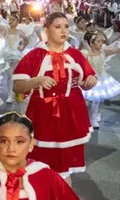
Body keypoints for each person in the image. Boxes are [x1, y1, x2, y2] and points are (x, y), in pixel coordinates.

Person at [12, 12, 97, 185]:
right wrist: (37, 81)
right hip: (43, 115)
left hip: (71, 114)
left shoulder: (75, 54)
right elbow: (17, 87)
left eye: (66, 26)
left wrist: (90, 81)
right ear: (47, 30)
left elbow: (87, 81)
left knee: (65, 166)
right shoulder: (35, 55)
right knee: (42, 161)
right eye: (58, 27)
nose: (63, 31)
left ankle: (63, 196)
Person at [82, 30, 120, 129]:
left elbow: (113, 51)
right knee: (96, 100)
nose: (101, 43)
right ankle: (93, 118)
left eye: (101, 41)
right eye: (98, 41)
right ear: (92, 43)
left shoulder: (102, 52)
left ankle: (96, 113)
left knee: (100, 98)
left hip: (102, 78)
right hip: (92, 79)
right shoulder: (86, 54)